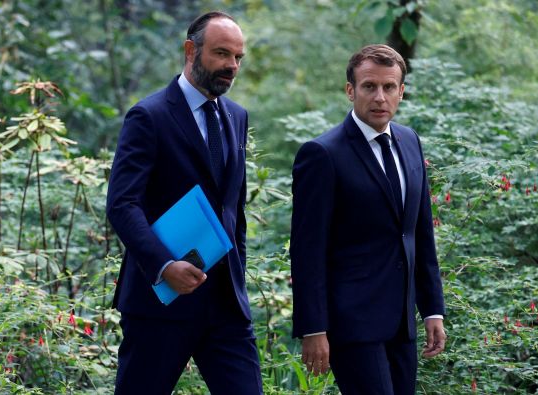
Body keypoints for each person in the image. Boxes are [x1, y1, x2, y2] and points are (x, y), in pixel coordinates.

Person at [106, 11, 262, 394]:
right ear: (191, 50)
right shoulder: (148, 116)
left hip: (226, 305)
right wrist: (163, 265)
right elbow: (123, 204)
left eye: (238, 57)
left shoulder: (237, 116)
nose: (231, 66)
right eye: (222, 54)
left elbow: (232, 209)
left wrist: (238, 278)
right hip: (161, 303)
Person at [290, 44, 446, 394]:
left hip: (402, 324)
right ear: (350, 90)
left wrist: (433, 309)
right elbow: (306, 251)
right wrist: (313, 328)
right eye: (369, 86)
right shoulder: (322, 155)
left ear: (401, 91)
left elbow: (419, 233)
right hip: (351, 325)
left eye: (389, 87)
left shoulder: (409, 142)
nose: (380, 97)